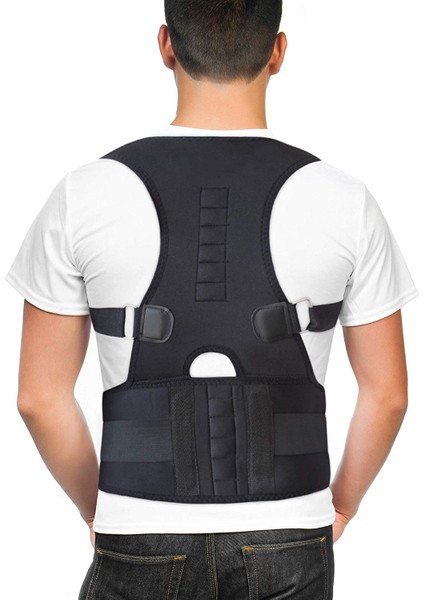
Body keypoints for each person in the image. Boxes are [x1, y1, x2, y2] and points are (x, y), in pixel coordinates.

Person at [5, 1, 419, 599]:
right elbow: (389, 394)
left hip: (137, 529)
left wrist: (102, 512)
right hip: (289, 530)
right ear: (278, 51)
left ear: (165, 45)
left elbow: (38, 399)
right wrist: (343, 506)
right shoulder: (345, 200)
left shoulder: (84, 194)